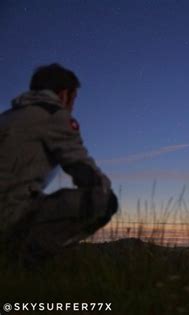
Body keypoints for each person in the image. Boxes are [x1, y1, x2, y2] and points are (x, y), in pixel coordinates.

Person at [0, 63, 118, 267]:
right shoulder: (54, 115)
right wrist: (101, 188)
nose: (72, 106)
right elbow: (80, 166)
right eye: (74, 99)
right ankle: (23, 259)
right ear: (65, 94)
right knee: (105, 201)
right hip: (9, 215)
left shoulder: (7, 117)